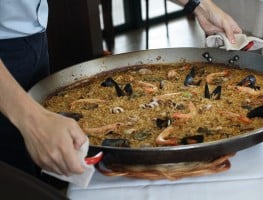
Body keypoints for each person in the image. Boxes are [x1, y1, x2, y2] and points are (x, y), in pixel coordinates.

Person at [0, 0, 242, 180]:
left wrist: (199, 5)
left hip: (31, 38)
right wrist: (32, 120)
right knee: (12, 172)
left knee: (29, 171)